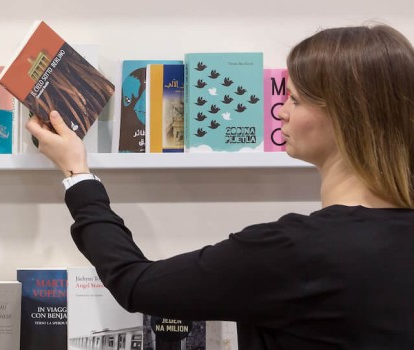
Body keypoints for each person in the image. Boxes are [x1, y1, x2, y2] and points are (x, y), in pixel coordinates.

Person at [28, 23, 414, 349]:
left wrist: (76, 173)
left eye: (294, 100)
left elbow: (135, 284)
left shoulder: (295, 251)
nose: (280, 110)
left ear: (344, 117)